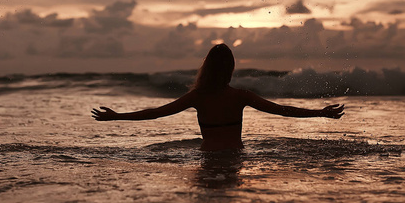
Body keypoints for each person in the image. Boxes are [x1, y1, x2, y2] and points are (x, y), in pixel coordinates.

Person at [92, 43, 344, 151]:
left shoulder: (197, 97)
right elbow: (281, 110)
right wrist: (320, 112)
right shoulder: (240, 96)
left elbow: (156, 113)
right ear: (231, 69)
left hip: (208, 156)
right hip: (235, 156)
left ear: (207, 68)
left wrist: (117, 117)